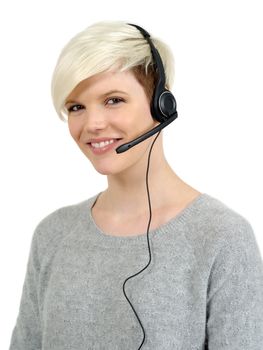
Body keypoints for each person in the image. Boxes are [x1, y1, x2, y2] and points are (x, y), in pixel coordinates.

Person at [9, 20, 263, 350]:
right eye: (76, 107)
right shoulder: (53, 233)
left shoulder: (221, 237)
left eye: (113, 100)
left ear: (162, 103)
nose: (93, 124)